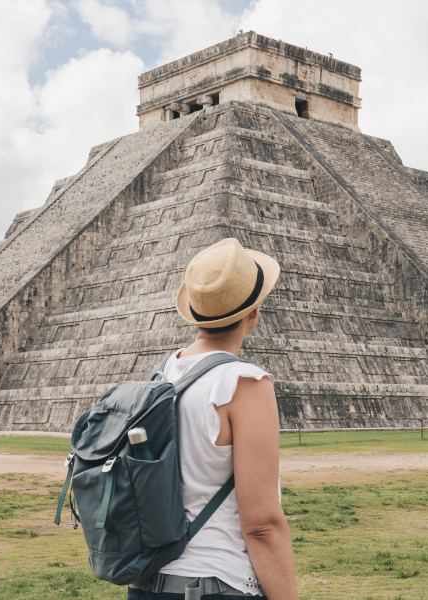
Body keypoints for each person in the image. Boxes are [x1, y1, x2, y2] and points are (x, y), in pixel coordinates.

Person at [127, 238, 298, 600]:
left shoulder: (162, 375)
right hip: (215, 585)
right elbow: (262, 525)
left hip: (148, 584)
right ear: (254, 314)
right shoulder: (243, 383)